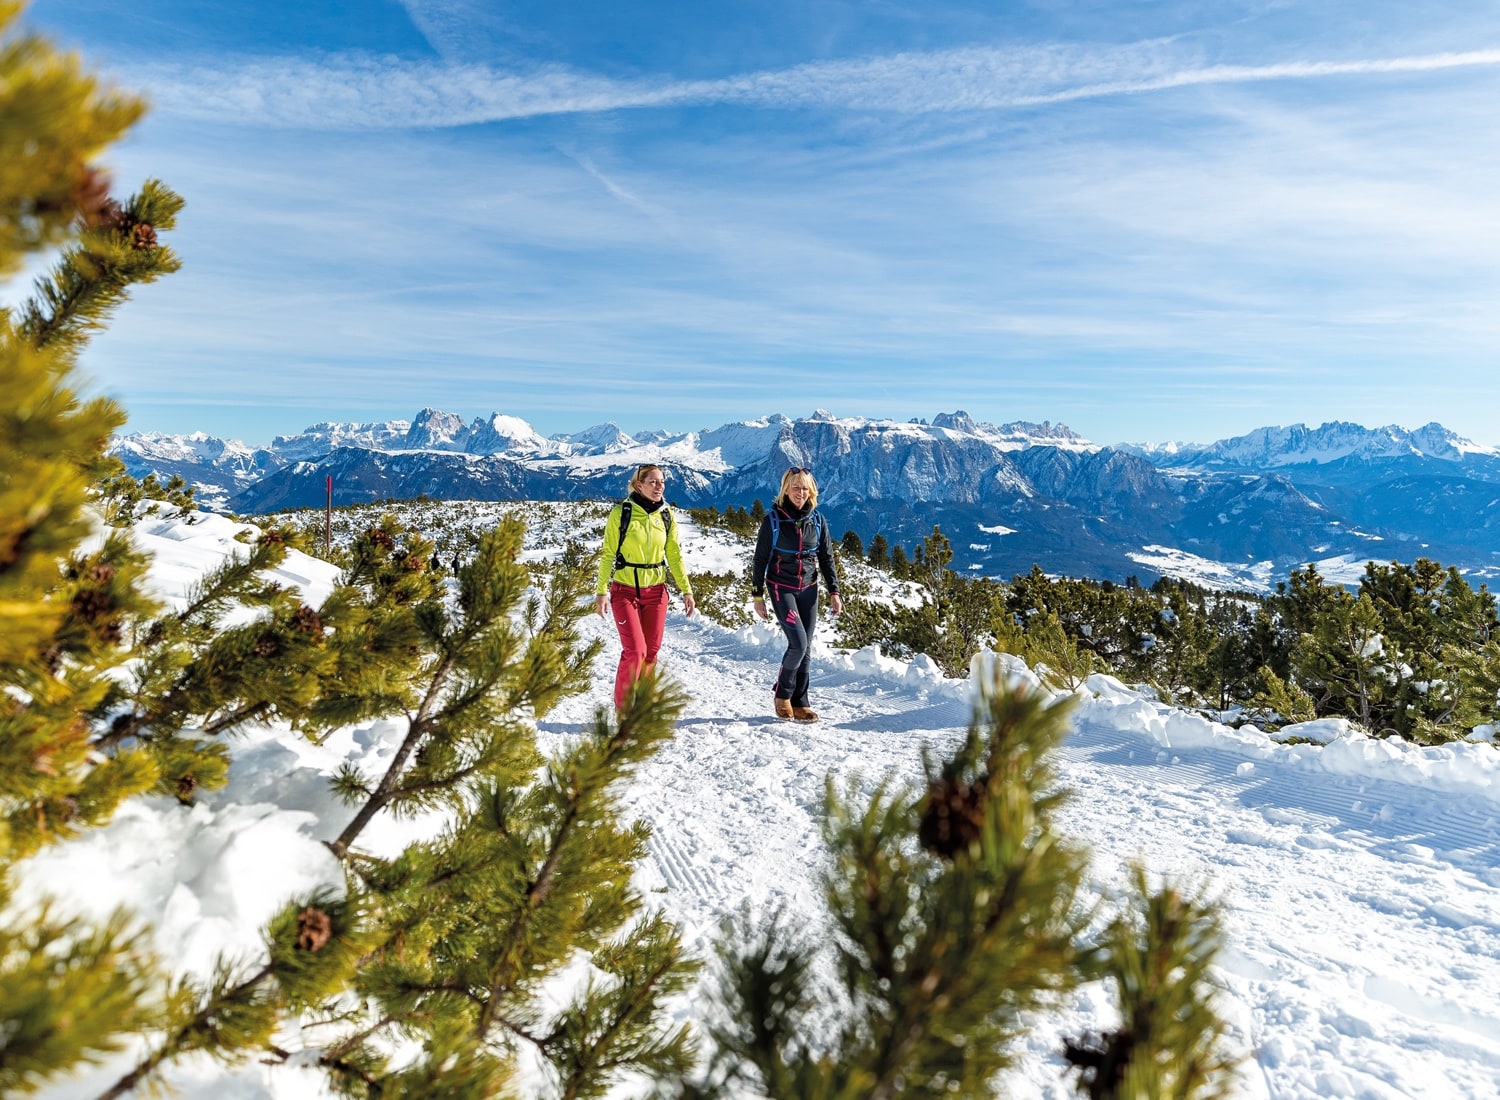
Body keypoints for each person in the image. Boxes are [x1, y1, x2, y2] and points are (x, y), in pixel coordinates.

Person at [595, 464, 696, 711]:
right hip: (625, 591)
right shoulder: (622, 513)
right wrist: (601, 591)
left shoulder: (666, 515)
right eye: (652, 482)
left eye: (661, 482)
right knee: (635, 651)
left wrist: (687, 590)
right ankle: (623, 709)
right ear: (638, 485)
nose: (659, 486)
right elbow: (608, 553)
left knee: (651, 653)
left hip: (656, 593)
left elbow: (674, 554)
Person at [752, 467, 842, 722]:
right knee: (798, 644)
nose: (800, 492)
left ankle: (801, 701)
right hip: (782, 588)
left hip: (809, 588)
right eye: (795, 487)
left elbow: (826, 557)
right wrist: (757, 595)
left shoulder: (818, 520)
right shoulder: (773, 520)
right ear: (786, 490)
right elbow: (760, 559)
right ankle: (782, 694)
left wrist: (834, 591)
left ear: (811, 491)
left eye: (804, 488)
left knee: (807, 646)